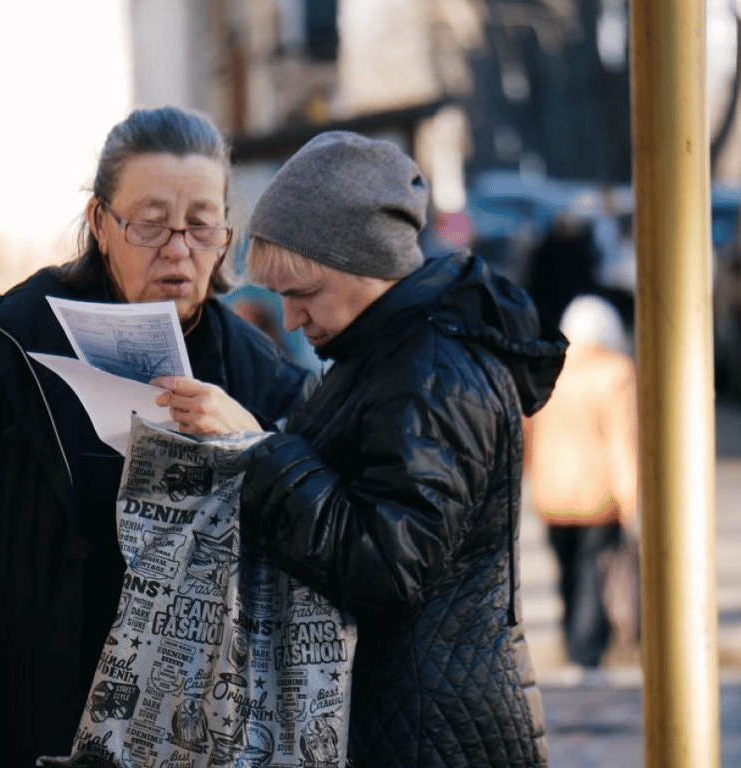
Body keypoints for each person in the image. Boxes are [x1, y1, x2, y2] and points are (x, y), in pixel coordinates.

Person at [0, 106, 313, 768]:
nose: (177, 248)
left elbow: (308, 561)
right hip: (32, 727)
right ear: (100, 223)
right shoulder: (3, 349)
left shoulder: (262, 375)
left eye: (201, 224)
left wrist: (256, 446)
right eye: (149, 223)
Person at [227, 131, 566, 766]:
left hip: (432, 732)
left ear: (364, 264)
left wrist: (260, 452)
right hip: (423, 716)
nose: (292, 317)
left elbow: (387, 566)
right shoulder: (388, 354)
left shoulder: (430, 372)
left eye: (303, 293)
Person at [523, 294, 640, 673]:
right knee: (594, 571)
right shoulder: (616, 372)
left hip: (551, 492)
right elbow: (623, 439)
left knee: (568, 570)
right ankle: (585, 652)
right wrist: (630, 497)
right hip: (599, 493)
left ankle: (573, 638)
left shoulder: (547, 367)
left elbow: (527, 427)